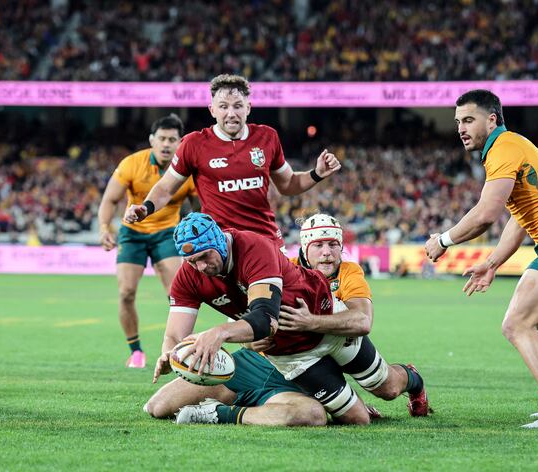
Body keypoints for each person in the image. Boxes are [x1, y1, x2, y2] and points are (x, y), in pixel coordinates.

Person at [145, 214, 429, 425]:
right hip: (291, 355)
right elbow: (175, 334)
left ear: (219, 241)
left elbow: (264, 318)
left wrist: (219, 332)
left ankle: (413, 379)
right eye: (192, 261)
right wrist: (170, 354)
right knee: (358, 420)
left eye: (205, 257)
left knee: (388, 388)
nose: (201, 267)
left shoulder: (254, 247)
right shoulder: (189, 275)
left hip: (331, 324)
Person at [424, 89, 538, 429]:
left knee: (516, 324)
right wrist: (492, 264)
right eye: (458, 121)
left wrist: (443, 240)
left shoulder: (503, 148)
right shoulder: (513, 147)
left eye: (469, 120)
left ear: (492, 119)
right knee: (524, 324)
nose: (461, 128)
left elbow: (487, 214)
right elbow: (518, 219)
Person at [123, 74, 341, 245]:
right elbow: (166, 188)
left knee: (279, 301)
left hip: (265, 238)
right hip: (219, 243)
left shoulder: (267, 137)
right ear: (212, 110)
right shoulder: (193, 144)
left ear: (248, 108)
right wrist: (146, 208)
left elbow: (288, 184)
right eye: (224, 106)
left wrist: (316, 174)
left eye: (237, 106)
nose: (231, 113)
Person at [97, 114, 197, 368]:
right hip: (132, 233)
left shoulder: (188, 171)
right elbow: (109, 199)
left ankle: (178, 351)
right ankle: (136, 352)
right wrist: (104, 228)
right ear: (152, 140)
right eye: (161, 138)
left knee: (177, 294)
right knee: (126, 292)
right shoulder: (132, 164)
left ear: (180, 142)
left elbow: (202, 208)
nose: (166, 144)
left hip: (167, 232)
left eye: (172, 139)